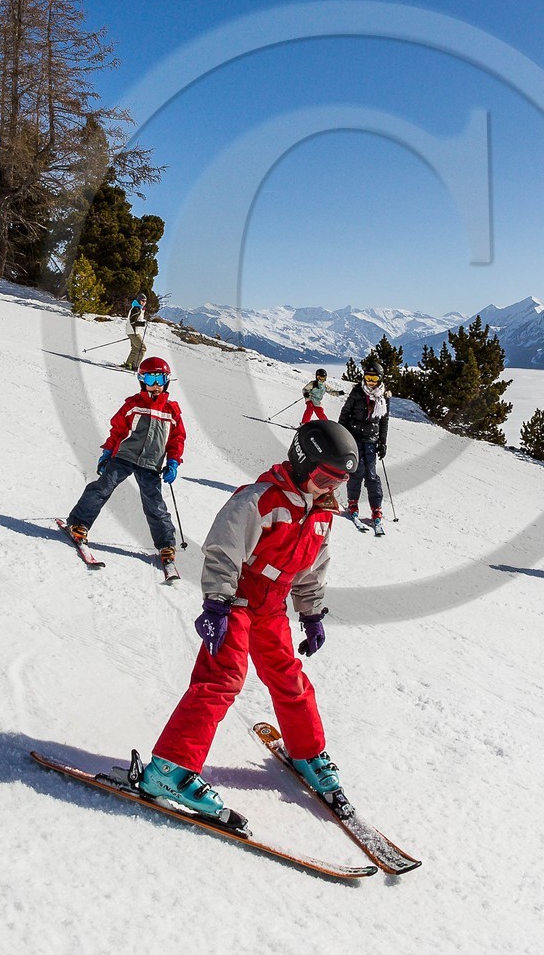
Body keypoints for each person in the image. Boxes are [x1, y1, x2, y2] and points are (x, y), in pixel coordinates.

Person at [136, 419, 358, 817]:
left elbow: (312, 570)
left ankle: (307, 752)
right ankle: (168, 769)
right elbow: (223, 551)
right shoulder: (258, 501)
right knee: (222, 678)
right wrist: (217, 604)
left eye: (339, 482)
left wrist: (311, 614)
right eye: (325, 478)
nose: (330, 489)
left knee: (288, 677)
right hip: (237, 599)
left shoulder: (322, 514)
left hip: (272, 608)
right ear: (303, 463)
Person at [66, 355, 184, 563]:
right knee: (103, 487)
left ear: (166, 382)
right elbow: (118, 430)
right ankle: (79, 523)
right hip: (124, 456)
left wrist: (173, 462)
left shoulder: (171, 411)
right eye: (150, 380)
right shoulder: (134, 404)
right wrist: (107, 453)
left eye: (160, 380)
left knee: (154, 504)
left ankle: (166, 545)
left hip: (151, 463)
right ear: (142, 381)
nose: (155, 385)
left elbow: (177, 439)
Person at [339, 358, 390, 526]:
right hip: (354, 438)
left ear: (380, 379)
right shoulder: (357, 392)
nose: (370, 382)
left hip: (371, 440)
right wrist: (340, 435)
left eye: (374, 379)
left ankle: (376, 507)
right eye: (368, 378)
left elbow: (384, 421)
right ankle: (353, 502)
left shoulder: (384, 397)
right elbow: (345, 413)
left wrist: (383, 442)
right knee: (357, 471)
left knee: (371, 475)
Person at [123, 292, 148, 371]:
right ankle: (135, 366)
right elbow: (133, 322)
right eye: (142, 301)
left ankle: (128, 364)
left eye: (145, 301)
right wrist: (143, 323)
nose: (144, 302)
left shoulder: (138, 308)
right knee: (142, 348)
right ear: (139, 300)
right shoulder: (136, 309)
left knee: (135, 349)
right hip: (133, 332)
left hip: (132, 331)